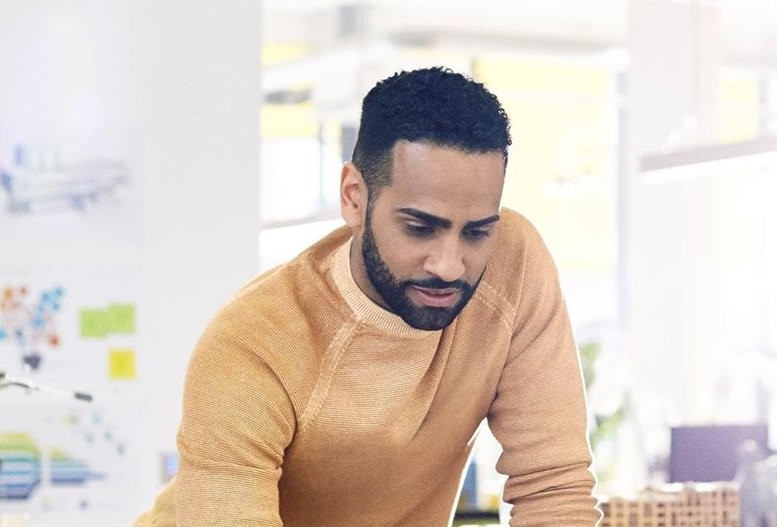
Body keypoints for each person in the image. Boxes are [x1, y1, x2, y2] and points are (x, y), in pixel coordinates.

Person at [134, 66, 597, 526]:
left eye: (476, 233)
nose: (449, 265)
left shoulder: (512, 265)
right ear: (354, 198)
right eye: (419, 228)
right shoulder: (252, 345)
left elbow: (554, 489)